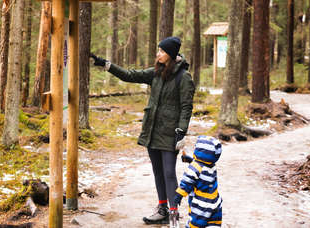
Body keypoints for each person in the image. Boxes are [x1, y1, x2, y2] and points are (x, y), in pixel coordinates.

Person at [90, 36, 195, 224]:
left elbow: (187, 106)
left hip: (170, 133)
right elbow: (130, 75)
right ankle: (162, 209)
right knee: (157, 171)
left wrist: (181, 130)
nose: (158, 54)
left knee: (169, 172)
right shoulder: (157, 72)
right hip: (153, 130)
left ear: (170, 54)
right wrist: (106, 64)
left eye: (162, 51)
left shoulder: (183, 77)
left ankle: (173, 213)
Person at [173, 135, 223, 228]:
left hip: (201, 204)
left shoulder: (194, 168)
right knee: (213, 224)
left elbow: (187, 181)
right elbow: (202, 169)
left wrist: (179, 195)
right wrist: (191, 160)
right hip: (215, 202)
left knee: (195, 224)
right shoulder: (211, 165)